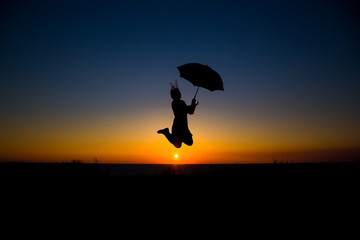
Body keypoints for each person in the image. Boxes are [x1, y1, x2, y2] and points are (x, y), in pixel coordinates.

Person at [157, 81, 198, 148]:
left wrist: (193, 104)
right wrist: (193, 104)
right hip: (181, 127)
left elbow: (188, 110)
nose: (181, 94)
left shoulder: (174, 103)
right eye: (179, 93)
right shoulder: (180, 102)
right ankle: (166, 132)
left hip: (179, 126)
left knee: (180, 144)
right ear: (177, 95)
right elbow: (190, 111)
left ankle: (166, 133)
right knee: (187, 143)